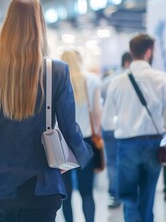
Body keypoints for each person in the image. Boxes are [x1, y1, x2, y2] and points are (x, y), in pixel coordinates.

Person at [0, 0, 93, 222]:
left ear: (7, 26)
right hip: (43, 186)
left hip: (0, 188)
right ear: (40, 26)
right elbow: (69, 128)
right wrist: (85, 155)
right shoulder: (56, 71)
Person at [102, 34, 166, 222]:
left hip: (126, 145)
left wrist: (124, 124)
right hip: (153, 144)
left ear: (131, 52)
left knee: (129, 200)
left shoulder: (117, 82)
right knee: (148, 199)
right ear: (149, 52)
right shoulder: (161, 79)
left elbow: (106, 122)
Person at [60, 50, 102, 222]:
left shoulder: (59, 80)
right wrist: (97, 133)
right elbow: (97, 112)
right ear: (80, 60)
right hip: (85, 141)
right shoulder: (92, 80)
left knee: (66, 193)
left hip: (63, 143)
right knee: (87, 191)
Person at [100, 52, 132, 208]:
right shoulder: (130, 80)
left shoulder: (106, 81)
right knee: (127, 162)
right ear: (127, 62)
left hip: (109, 127)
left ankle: (114, 195)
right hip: (126, 128)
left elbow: (100, 104)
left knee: (112, 162)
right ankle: (127, 193)